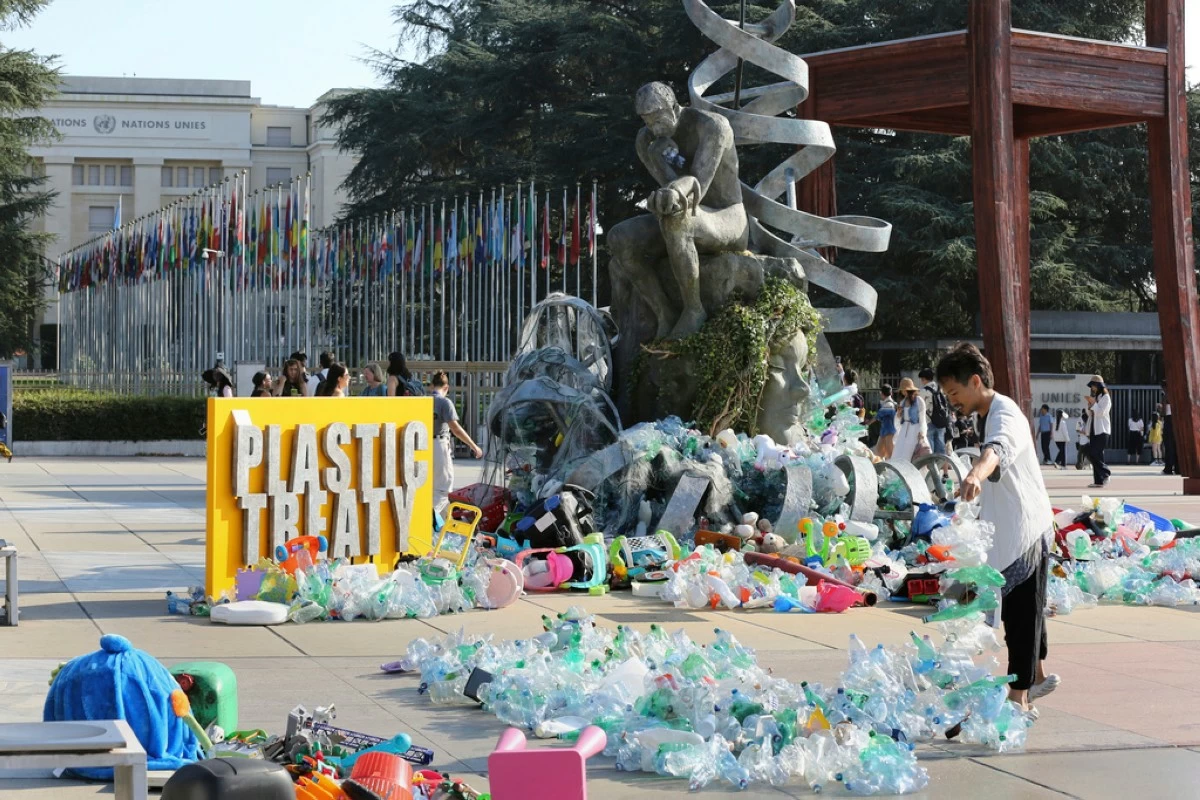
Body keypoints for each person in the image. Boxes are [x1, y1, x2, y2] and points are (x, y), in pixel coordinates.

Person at [936, 342, 1058, 715]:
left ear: (975, 382)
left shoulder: (1005, 413)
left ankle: (1018, 699)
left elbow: (998, 450)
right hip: (1010, 527)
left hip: (1024, 530)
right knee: (1023, 611)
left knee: (1021, 614)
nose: (952, 402)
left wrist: (975, 472)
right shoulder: (985, 415)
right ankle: (1035, 675)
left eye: (955, 393)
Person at [607, 82, 750, 339]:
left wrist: (671, 194)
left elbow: (697, 188)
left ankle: (694, 310)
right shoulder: (647, 140)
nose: (653, 126)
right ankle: (665, 313)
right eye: (646, 120)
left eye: (658, 117)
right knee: (620, 238)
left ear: (673, 107)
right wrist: (659, 183)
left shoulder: (712, 127)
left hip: (726, 215)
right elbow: (669, 190)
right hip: (690, 213)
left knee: (677, 220)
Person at [430, 371, 483, 515]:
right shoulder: (444, 402)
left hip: (423, 445)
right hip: (439, 445)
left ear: (431, 386)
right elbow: (456, 429)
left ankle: (441, 527)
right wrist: (474, 446)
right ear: (446, 387)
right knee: (443, 489)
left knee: (429, 488)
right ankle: (429, 520)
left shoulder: (423, 400)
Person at [891, 377, 929, 463]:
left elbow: (922, 419)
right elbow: (898, 422)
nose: (903, 392)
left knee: (913, 454)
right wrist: (898, 415)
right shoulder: (902, 402)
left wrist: (922, 432)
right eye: (902, 390)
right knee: (900, 453)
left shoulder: (919, 401)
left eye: (905, 390)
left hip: (915, 430)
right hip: (904, 431)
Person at [1086, 375, 1112, 488]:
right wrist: (1090, 405)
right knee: (1096, 455)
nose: (1092, 388)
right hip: (1094, 429)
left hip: (1102, 430)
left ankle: (1106, 473)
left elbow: (1101, 413)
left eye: (1094, 386)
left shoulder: (1106, 397)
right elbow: (1091, 415)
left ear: (1099, 386)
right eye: (1091, 386)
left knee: (1093, 453)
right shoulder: (1097, 398)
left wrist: (1093, 404)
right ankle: (1098, 481)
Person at [919, 367, 950, 456]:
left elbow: (920, 407)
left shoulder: (923, 391)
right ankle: (940, 465)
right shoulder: (940, 389)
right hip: (941, 420)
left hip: (929, 421)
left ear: (924, 378)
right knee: (940, 445)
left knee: (930, 446)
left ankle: (932, 466)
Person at [1160, 380, 1178, 476]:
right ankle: (1178, 467)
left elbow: (1163, 412)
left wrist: (1159, 408)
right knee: (1176, 445)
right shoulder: (1176, 395)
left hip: (1168, 420)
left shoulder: (1165, 396)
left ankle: (1168, 468)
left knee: (1168, 445)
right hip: (1177, 421)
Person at [875, 384, 897, 459]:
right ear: (891, 393)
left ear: (882, 393)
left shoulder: (888, 404)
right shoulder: (891, 404)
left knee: (889, 455)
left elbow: (877, 416)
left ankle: (890, 470)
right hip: (885, 431)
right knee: (878, 453)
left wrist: (867, 424)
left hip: (889, 431)